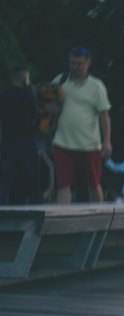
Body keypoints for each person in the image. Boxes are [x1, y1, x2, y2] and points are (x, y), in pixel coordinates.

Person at [52, 47, 112, 203]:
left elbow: (104, 116)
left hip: (89, 144)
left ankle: (99, 222)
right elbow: (47, 108)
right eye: (72, 63)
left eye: (79, 64)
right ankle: (63, 223)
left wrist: (106, 141)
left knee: (93, 183)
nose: (75, 67)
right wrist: (51, 109)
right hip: (62, 142)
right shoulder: (60, 81)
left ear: (88, 63)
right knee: (63, 184)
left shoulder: (96, 86)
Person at [0, 66, 41, 204]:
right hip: (26, 142)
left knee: (8, 180)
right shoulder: (29, 97)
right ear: (25, 78)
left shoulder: (3, 96)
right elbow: (38, 119)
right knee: (31, 180)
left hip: (7, 143)